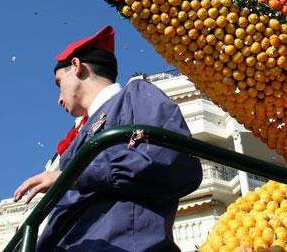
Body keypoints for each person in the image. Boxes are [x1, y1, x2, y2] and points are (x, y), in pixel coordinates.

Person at [13, 25, 203, 251]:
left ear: (76, 66)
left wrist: (73, 177)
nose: (58, 98)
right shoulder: (79, 135)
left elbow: (171, 159)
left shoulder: (136, 94)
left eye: (58, 82)